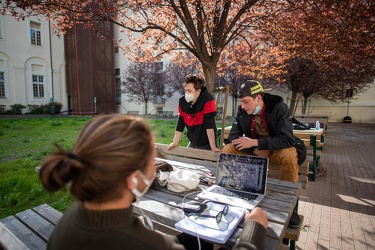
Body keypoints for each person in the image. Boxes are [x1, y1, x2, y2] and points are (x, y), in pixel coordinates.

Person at [39, 114, 268, 250]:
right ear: (132, 179)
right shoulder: (147, 245)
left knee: (199, 239)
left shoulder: (74, 214)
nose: (157, 165)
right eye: (153, 159)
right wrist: (254, 229)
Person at [223, 80, 306, 183]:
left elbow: (287, 139)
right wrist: (254, 150)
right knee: (228, 149)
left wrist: (255, 143)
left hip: (276, 149)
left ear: (258, 98)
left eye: (245, 102)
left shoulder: (279, 107)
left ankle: (288, 193)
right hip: (255, 149)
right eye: (241, 103)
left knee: (288, 155)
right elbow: (233, 137)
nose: (243, 106)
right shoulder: (242, 110)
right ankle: (232, 184)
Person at [169, 74, 221, 152]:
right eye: (185, 90)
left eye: (189, 91)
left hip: (207, 142)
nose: (187, 93)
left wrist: (213, 147)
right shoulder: (182, 101)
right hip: (193, 141)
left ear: (198, 91)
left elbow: (209, 124)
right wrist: (175, 142)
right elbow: (180, 122)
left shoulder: (208, 99)